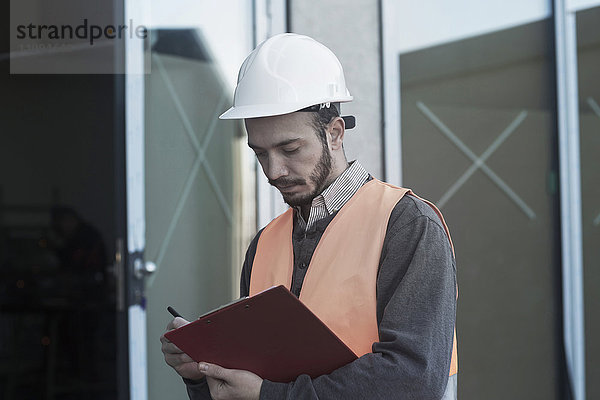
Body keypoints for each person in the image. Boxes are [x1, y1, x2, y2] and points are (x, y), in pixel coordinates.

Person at [160, 33, 458, 400]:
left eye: (289, 149)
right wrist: (200, 373)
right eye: (260, 153)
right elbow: (250, 386)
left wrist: (271, 395)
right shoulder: (264, 244)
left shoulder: (407, 224)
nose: (274, 171)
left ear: (334, 133)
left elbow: (414, 377)